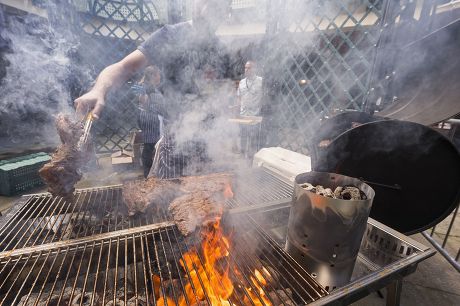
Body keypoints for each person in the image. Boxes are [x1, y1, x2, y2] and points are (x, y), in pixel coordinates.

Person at [74, 0, 232, 177]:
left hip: (208, 147)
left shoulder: (222, 50)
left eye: (218, 5)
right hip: (175, 143)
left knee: (209, 200)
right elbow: (124, 67)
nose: (206, 10)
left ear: (227, 11)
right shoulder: (170, 35)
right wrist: (98, 90)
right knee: (166, 200)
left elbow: (221, 99)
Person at [137, 65, 167, 178]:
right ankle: (148, 173)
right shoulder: (144, 87)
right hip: (150, 120)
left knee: (151, 145)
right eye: (158, 74)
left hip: (152, 119)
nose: (160, 77)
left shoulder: (152, 87)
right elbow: (143, 102)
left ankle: (152, 172)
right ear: (153, 75)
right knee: (150, 146)